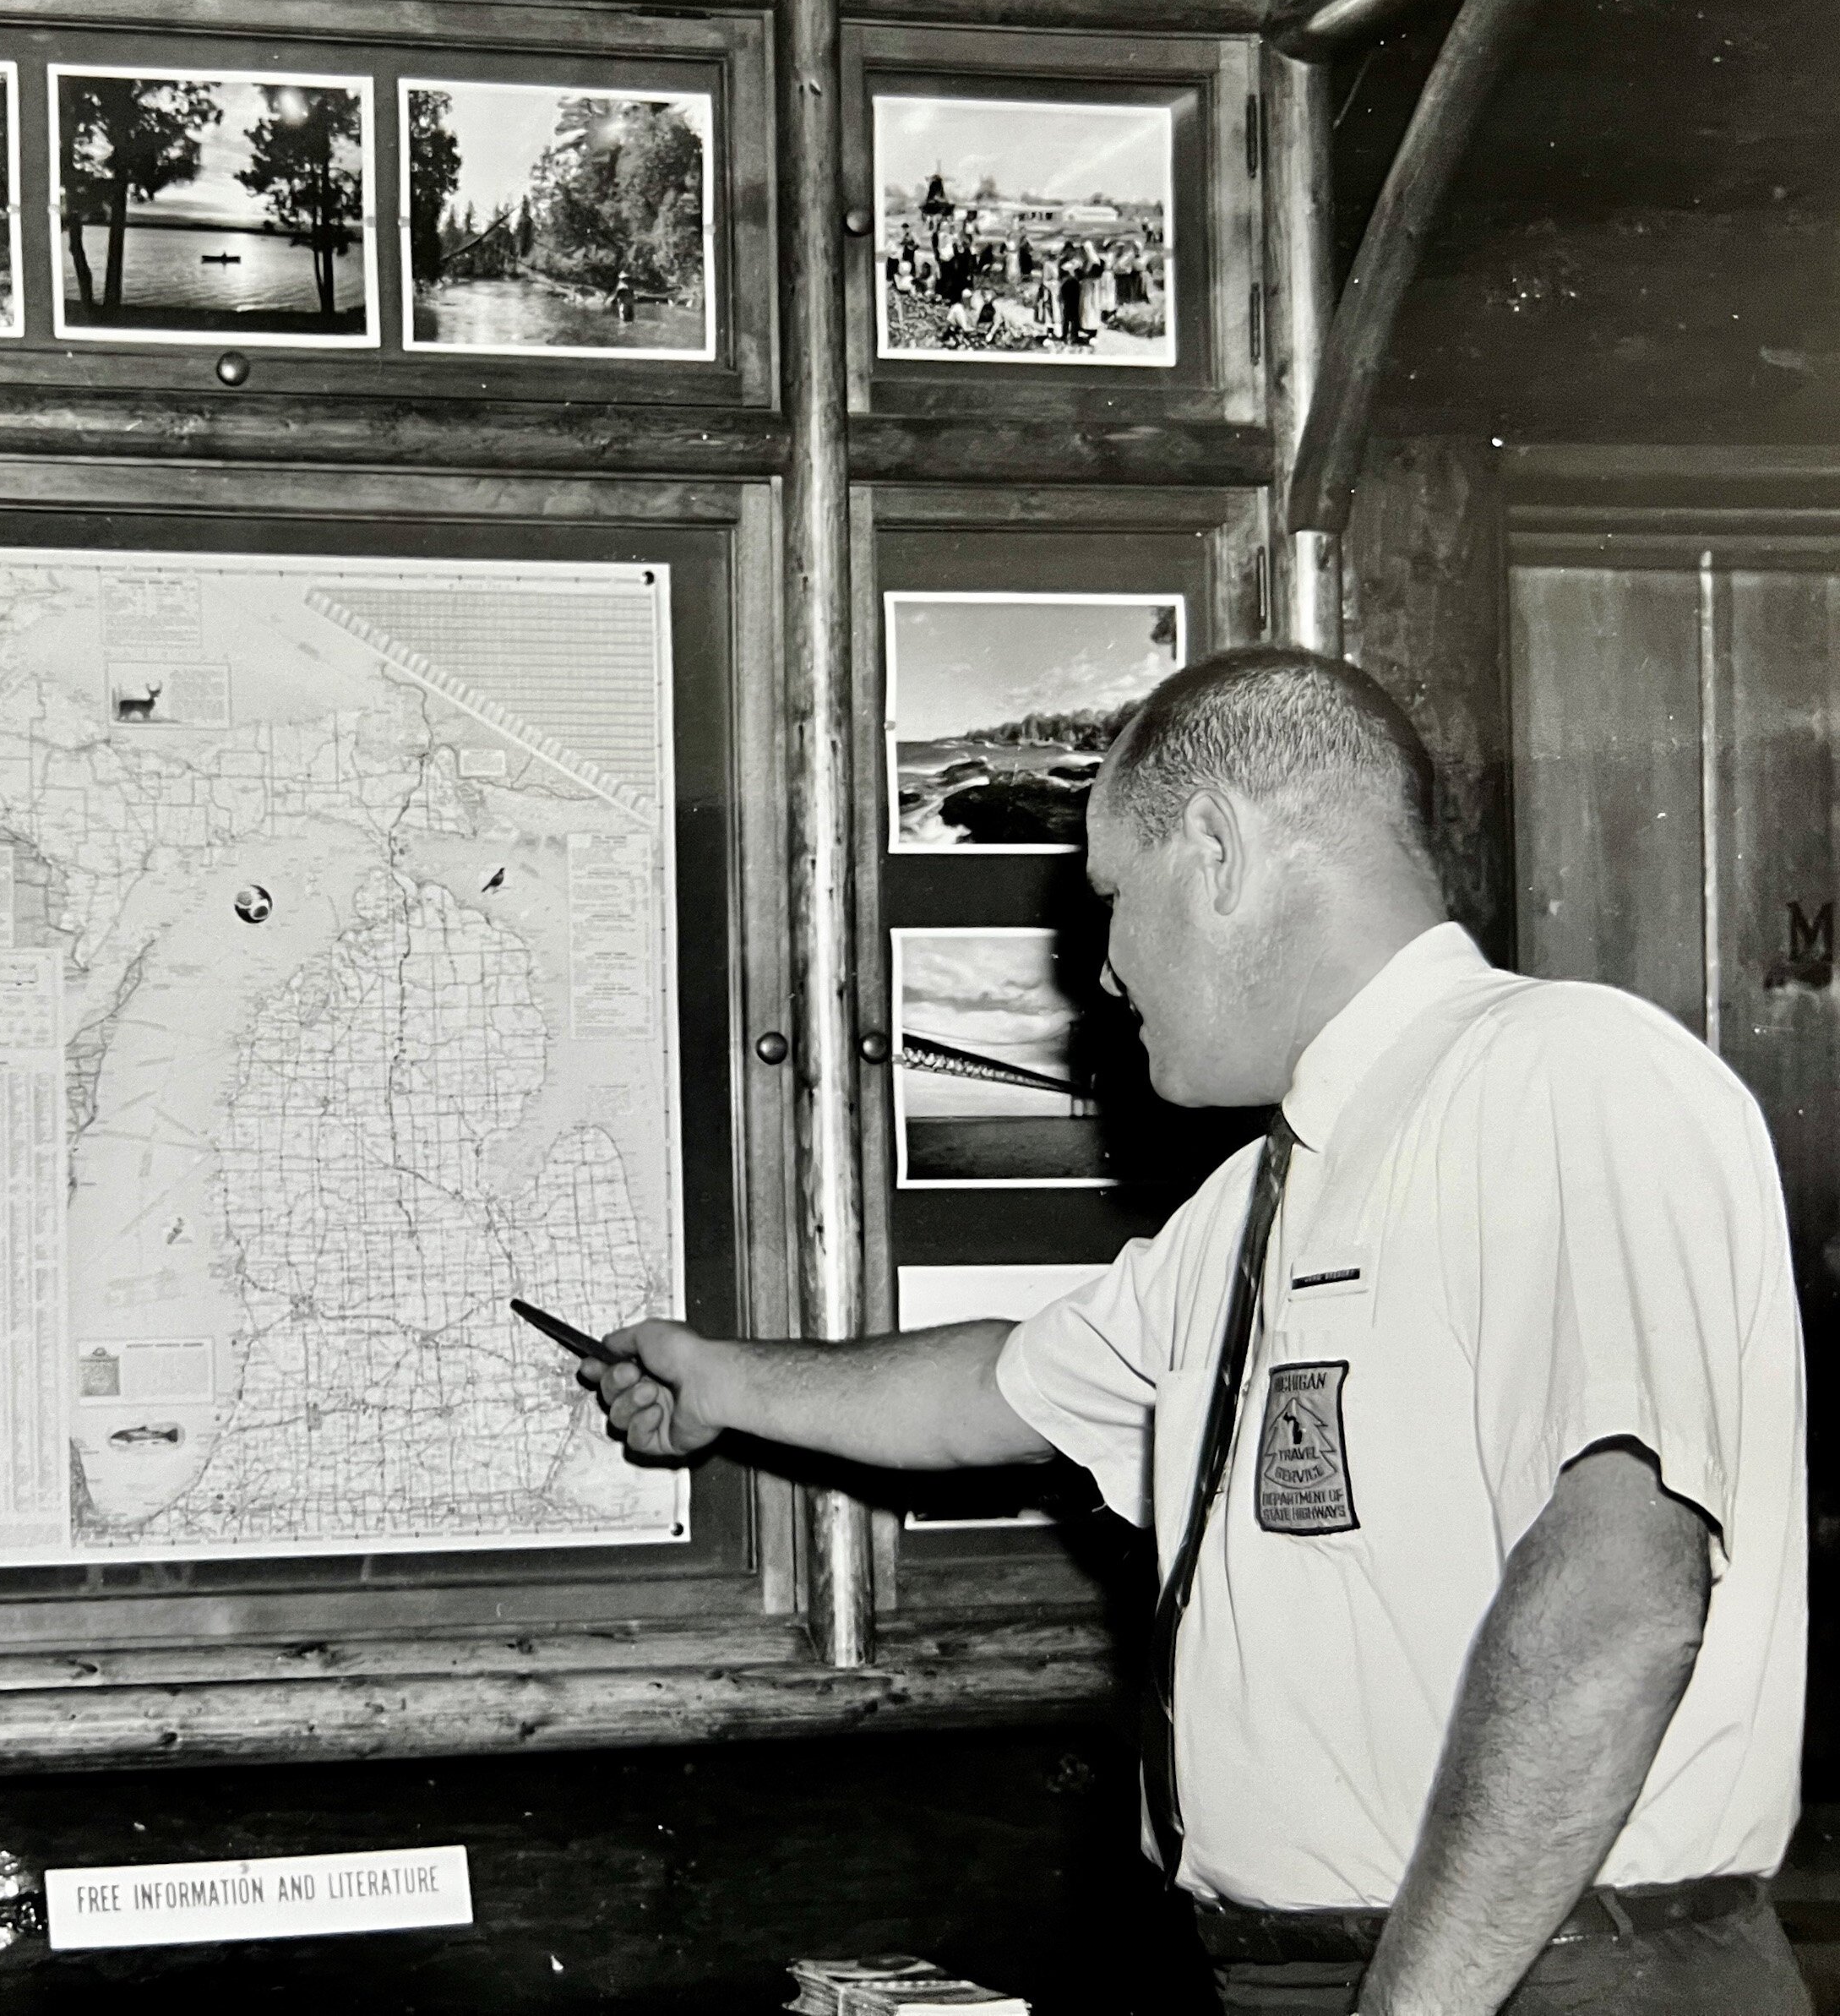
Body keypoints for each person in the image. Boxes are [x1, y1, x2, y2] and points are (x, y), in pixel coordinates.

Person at [585, 649, 1807, 2015]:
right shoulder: (1268, 1194)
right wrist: (719, 1379)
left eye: (1112, 896)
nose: (1102, 968)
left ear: (1218, 851)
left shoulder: (1564, 1072)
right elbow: (1001, 1387)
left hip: (1546, 1977)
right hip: (1347, 1974)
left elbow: (1620, 1601)